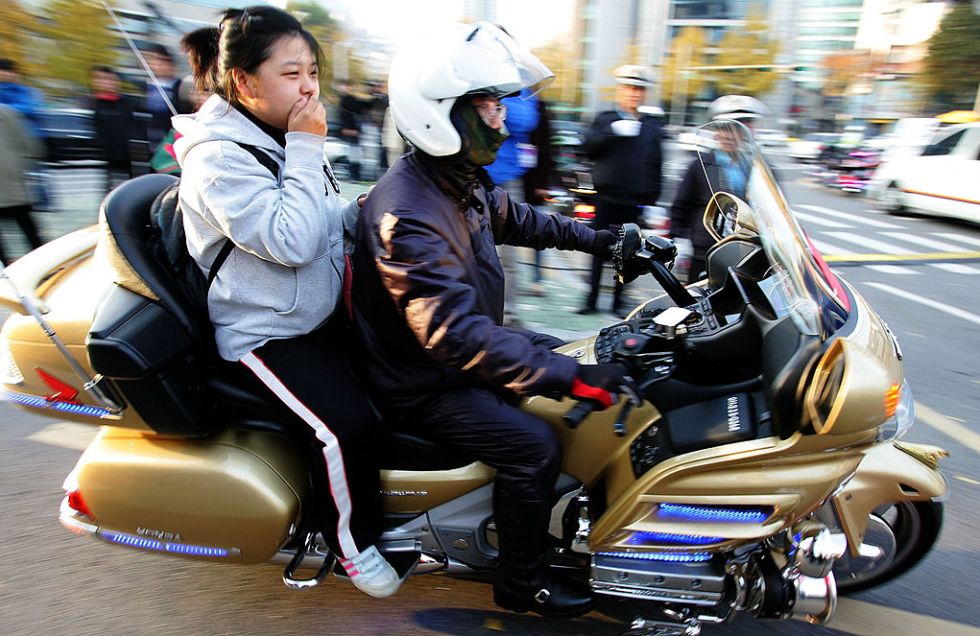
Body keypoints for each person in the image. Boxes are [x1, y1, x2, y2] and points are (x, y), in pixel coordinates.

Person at [352, 22, 631, 618]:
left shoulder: (456, 181)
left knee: (591, 349)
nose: (501, 116)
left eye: (499, 102)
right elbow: (450, 333)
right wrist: (568, 380)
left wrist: (603, 241)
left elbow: (524, 220)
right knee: (533, 446)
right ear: (438, 114)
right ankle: (520, 580)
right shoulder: (407, 212)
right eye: (486, 103)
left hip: (464, 349)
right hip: (422, 381)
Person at [173, 6, 399, 598]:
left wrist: (378, 209)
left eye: (313, 74)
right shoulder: (218, 157)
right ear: (245, 83)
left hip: (313, 314)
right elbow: (291, 242)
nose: (308, 88)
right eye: (292, 74)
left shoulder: (280, 137)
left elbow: (322, 220)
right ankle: (349, 543)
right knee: (346, 427)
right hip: (262, 333)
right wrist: (304, 147)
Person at [579, 64, 663, 318]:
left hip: (632, 200)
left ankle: (618, 302)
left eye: (639, 90)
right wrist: (611, 132)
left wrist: (654, 198)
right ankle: (591, 299)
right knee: (597, 248)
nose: (634, 94)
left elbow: (655, 163)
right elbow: (588, 149)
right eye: (629, 88)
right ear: (620, 90)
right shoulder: (605, 119)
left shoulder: (650, 126)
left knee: (627, 253)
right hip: (605, 196)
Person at [670, 95, 768, 281]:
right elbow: (681, 206)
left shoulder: (758, 168)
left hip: (747, 253)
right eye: (724, 129)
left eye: (737, 129)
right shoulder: (700, 165)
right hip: (706, 252)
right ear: (716, 132)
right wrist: (679, 241)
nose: (730, 135)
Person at [487, 86, 540, 323]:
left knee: (508, 255)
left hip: (507, 179)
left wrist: (500, 103)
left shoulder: (520, 87)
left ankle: (508, 314)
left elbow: (525, 121)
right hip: (471, 175)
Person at [0, 103, 45, 264]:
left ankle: (42, 261)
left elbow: (27, 143)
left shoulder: (6, 113)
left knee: (26, 224)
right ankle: (6, 269)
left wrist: (21, 167)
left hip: (10, 180)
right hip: (10, 181)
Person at [522, 97, 557, 296]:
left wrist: (544, 184)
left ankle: (537, 280)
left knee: (537, 234)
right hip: (514, 176)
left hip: (534, 182)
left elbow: (546, 148)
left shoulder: (539, 106)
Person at [88, 66, 140, 192]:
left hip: (126, 151)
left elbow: (132, 125)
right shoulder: (93, 103)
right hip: (105, 152)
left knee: (129, 184)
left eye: (111, 80)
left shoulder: (126, 103)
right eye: (102, 79)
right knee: (108, 184)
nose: (108, 83)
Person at [142, 44, 185, 149]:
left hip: (171, 134)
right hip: (151, 133)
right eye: (155, 60)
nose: (159, 64)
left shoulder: (180, 86)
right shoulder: (147, 86)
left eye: (163, 60)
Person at [0, 59, 45, 140]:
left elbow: (29, 108)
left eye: (10, 71)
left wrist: (4, 109)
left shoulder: (23, 90)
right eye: (3, 70)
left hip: (23, 135)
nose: (7, 74)